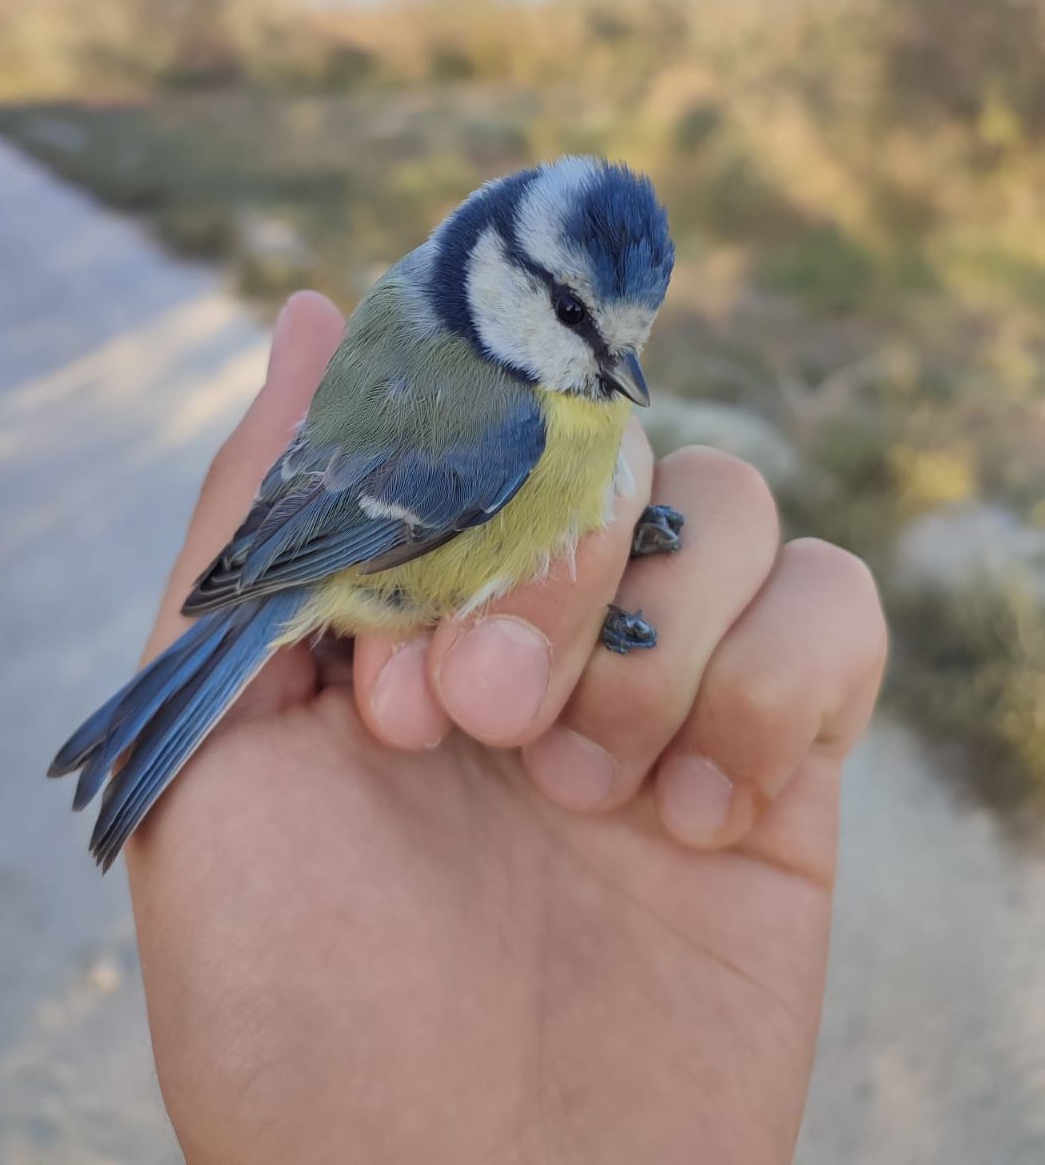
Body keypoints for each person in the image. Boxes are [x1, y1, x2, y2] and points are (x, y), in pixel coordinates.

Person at [125, 291, 887, 1165]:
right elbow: (397, 548)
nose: (616, 366)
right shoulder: (501, 411)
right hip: (346, 570)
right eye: (583, 324)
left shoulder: (527, 382)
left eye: (628, 341)